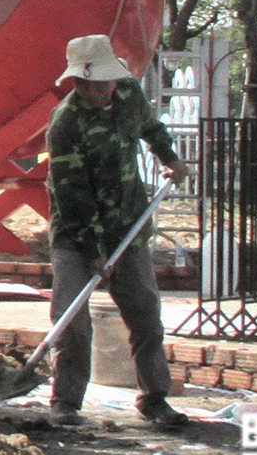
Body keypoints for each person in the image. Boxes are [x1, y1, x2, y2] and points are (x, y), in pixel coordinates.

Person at [44, 34, 192, 432]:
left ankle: (155, 398)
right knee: (73, 321)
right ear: (79, 82)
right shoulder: (66, 124)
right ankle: (66, 401)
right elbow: (72, 194)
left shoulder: (127, 95)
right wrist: (93, 252)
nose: (106, 88)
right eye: (97, 84)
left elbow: (152, 128)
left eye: (110, 80)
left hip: (129, 225)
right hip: (77, 236)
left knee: (145, 313)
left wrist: (170, 159)